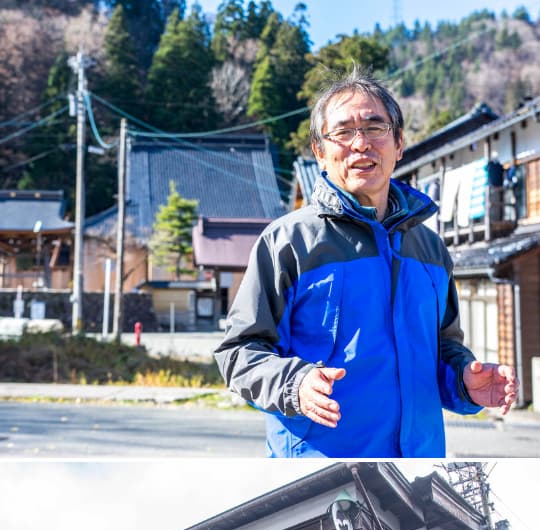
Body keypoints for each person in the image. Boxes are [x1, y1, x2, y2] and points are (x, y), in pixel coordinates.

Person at [214, 67, 517, 458]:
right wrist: (295, 384)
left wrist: (464, 381)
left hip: (418, 465)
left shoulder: (430, 249)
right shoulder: (287, 241)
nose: (361, 144)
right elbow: (238, 352)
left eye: (375, 128)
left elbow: (443, 348)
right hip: (318, 467)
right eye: (343, 132)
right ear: (320, 152)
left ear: (399, 143)